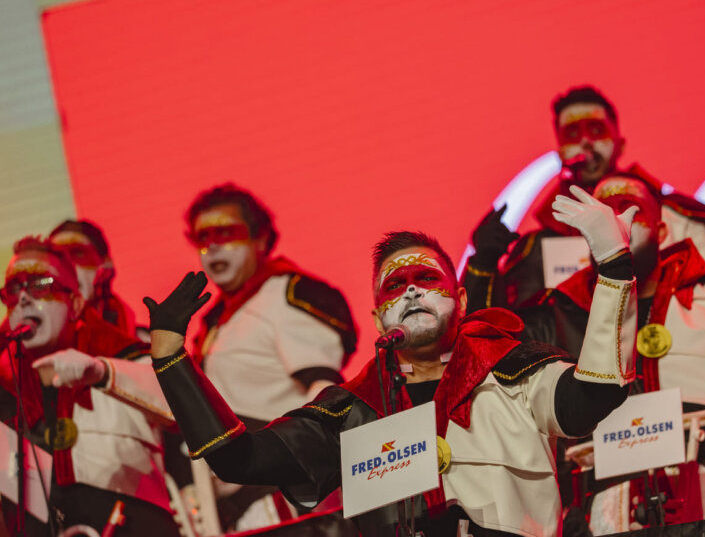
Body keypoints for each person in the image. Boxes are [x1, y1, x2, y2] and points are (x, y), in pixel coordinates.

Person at [145, 185, 639, 537]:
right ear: (379, 317)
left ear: (462, 300)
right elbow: (239, 457)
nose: (412, 290)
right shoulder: (351, 410)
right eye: (395, 287)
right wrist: (170, 358)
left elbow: (597, 392)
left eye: (427, 278)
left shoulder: (516, 373)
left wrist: (614, 264)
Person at [525, 175, 705, 534]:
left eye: (631, 210)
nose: (616, 220)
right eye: (604, 215)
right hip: (607, 509)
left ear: (663, 230)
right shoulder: (555, 322)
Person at [463, 85, 705, 314]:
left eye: (596, 130)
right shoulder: (538, 247)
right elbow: (513, 331)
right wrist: (483, 265)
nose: (585, 141)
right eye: (572, 134)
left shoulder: (677, 220)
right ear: (560, 151)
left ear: (620, 143)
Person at [181, 183, 357, 530]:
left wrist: (280, 472)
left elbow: (324, 391)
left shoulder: (285, 292)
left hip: (287, 500)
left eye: (227, 232)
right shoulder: (217, 319)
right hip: (236, 502)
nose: (213, 244)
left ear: (261, 239)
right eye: (203, 237)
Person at [0, 237, 179, 536]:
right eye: (12, 289)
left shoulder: (126, 357)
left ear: (75, 304)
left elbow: (184, 408)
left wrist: (102, 373)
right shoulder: (6, 389)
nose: (23, 299)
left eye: (41, 284)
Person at [49, 219, 137, 336]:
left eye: (78, 253)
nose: (68, 264)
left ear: (106, 264)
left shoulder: (147, 343)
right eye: (58, 257)